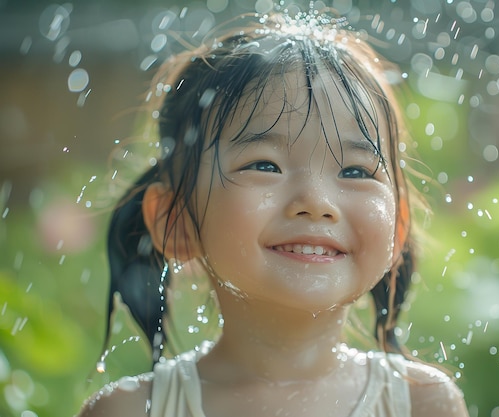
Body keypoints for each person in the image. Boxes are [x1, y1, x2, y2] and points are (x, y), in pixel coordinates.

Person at [78, 7, 469, 417]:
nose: (317, 202)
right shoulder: (131, 411)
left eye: (355, 170)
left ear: (397, 230)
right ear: (174, 218)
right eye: (265, 165)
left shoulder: (422, 404)